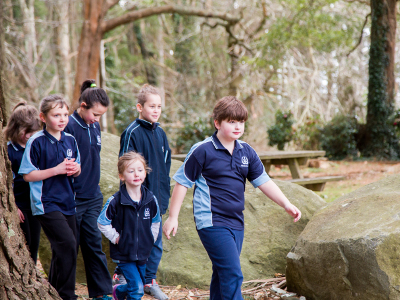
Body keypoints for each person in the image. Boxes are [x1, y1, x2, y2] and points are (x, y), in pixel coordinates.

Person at [163, 96, 302, 300]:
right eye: (231, 121)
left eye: (241, 122)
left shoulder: (246, 151)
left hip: (236, 222)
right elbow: (183, 182)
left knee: (222, 274)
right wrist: (173, 216)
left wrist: (286, 204)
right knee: (232, 274)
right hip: (211, 221)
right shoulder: (202, 150)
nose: (237, 126)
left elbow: (263, 180)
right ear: (217, 123)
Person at [19, 94, 81, 300]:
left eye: (65, 114)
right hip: (45, 203)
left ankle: (54, 290)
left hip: (68, 202)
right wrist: (56, 170)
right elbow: (28, 175)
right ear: (43, 117)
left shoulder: (70, 139)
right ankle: (67, 295)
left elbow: (77, 168)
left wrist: (75, 169)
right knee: (67, 244)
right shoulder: (36, 141)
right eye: (56, 115)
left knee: (65, 247)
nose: (62, 119)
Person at [118, 84, 171, 300]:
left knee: (155, 242)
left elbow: (165, 167)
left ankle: (150, 281)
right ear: (140, 107)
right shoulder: (132, 132)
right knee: (133, 240)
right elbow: (126, 166)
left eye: (159, 106)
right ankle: (124, 277)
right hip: (137, 201)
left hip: (158, 199)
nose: (156, 110)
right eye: (152, 106)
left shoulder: (161, 133)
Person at [64, 79, 113, 300]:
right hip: (72, 198)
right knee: (69, 248)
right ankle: (64, 292)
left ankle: (102, 292)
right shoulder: (69, 126)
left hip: (93, 197)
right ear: (83, 106)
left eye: (101, 116)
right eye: (95, 114)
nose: (97, 119)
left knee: (94, 244)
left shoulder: (94, 124)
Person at [98, 151, 161, 300]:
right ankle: (123, 292)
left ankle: (118, 291)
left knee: (135, 285)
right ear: (122, 176)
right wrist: (116, 238)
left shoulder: (151, 199)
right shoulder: (115, 201)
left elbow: (156, 220)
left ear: (145, 173)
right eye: (131, 171)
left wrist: (150, 238)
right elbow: (102, 222)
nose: (136, 174)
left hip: (143, 254)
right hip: (124, 254)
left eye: (140, 170)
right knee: (138, 289)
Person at [5, 100, 42, 264]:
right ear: (16, 128)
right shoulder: (9, 151)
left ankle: (32, 272)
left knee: (34, 243)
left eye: (34, 132)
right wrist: (14, 206)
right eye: (27, 132)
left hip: (34, 203)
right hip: (19, 205)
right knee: (24, 244)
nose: (30, 136)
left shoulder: (36, 146)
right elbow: (7, 183)